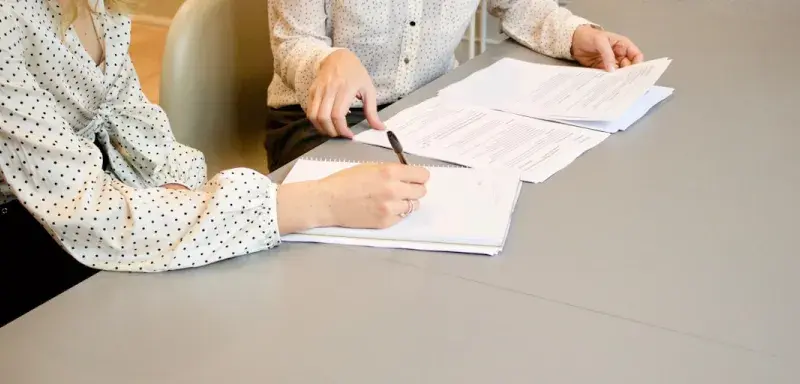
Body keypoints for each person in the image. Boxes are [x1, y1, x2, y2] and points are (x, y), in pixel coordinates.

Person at [0, 0, 429, 327]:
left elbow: (137, 126)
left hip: (93, 201)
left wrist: (184, 194)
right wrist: (317, 204)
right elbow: (88, 213)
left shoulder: (97, 6)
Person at [265, 0, 645, 171]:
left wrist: (575, 34)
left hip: (429, 109)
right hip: (318, 120)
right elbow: (292, 42)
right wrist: (327, 62)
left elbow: (520, 5)